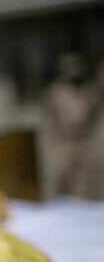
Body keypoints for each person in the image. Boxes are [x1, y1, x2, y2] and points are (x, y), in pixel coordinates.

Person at [46, 52, 103, 198]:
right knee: (62, 179)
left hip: (84, 140)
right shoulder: (57, 91)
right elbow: (52, 114)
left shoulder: (87, 90)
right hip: (66, 141)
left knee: (88, 182)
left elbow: (94, 111)